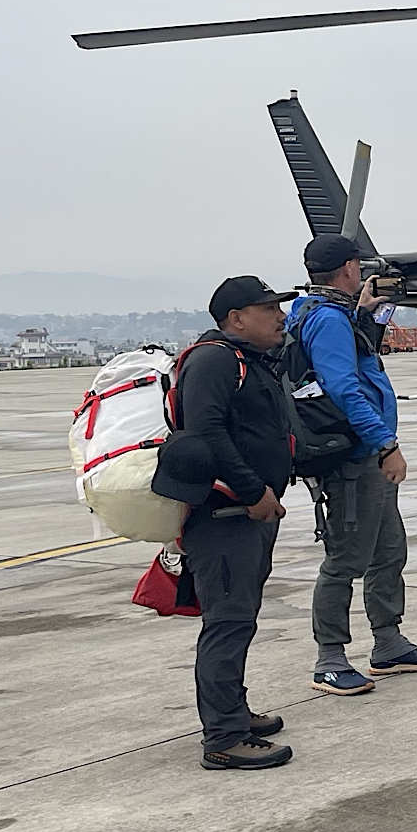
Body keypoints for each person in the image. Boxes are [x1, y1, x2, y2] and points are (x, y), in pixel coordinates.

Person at [288, 233, 417, 695]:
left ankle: (389, 642)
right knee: (345, 560)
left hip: (361, 455)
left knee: (388, 550)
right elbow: (344, 387)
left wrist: (366, 312)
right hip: (357, 458)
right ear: (349, 269)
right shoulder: (329, 321)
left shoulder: (317, 312)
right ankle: (330, 658)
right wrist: (384, 443)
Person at [161, 276, 298, 770]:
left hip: (248, 513)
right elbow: (206, 433)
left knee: (240, 617)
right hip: (226, 515)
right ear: (236, 318)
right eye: (268, 309)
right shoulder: (216, 360)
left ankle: (234, 711)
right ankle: (223, 737)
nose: (279, 316)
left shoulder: (249, 360)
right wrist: (252, 491)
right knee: (227, 622)